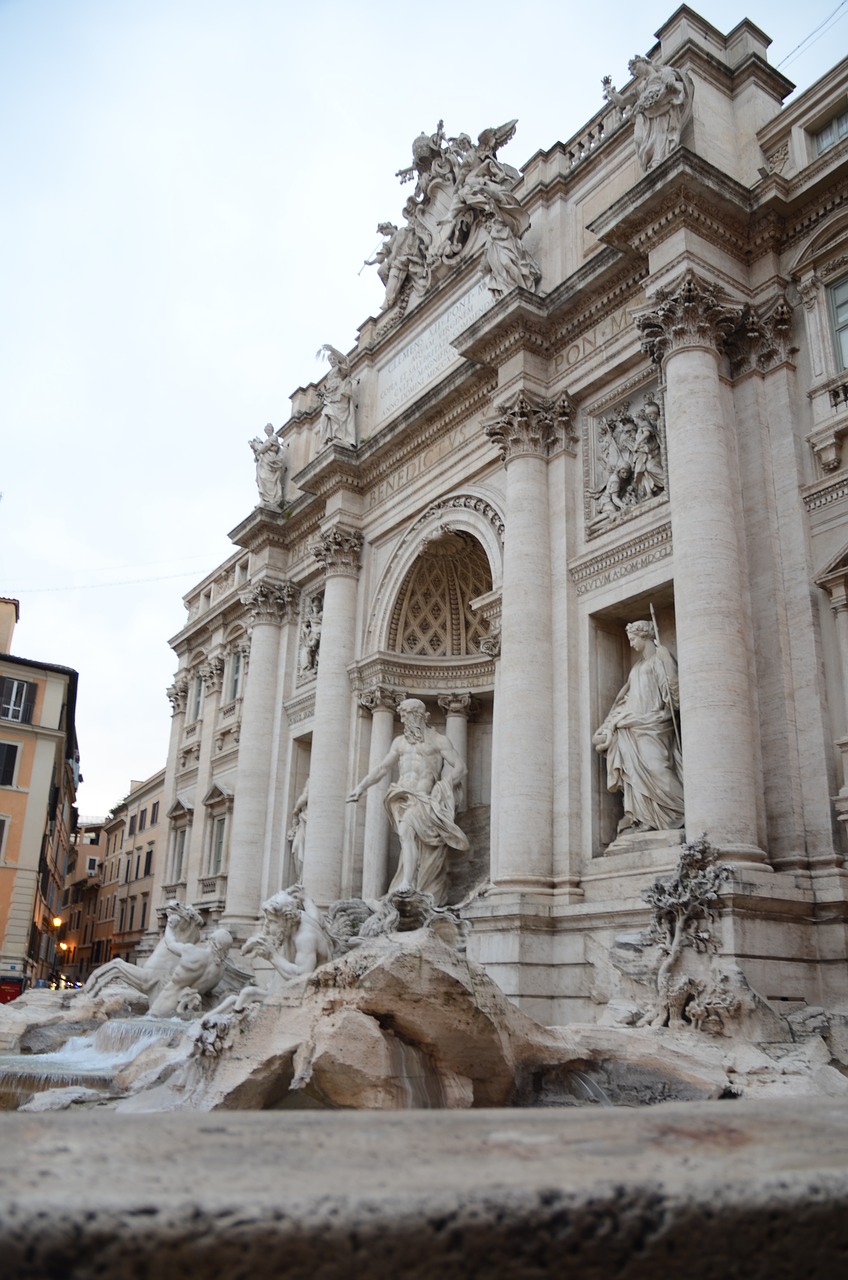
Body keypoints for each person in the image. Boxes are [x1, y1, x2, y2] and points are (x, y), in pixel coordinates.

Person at [347, 698, 469, 906]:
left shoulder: (439, 740)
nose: (403, 721)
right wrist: (361, 787)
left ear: (418, 715)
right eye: (402, 717)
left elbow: (460, 767)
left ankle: (409, 882)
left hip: (424, 799)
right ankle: (408, 881)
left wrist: (444, 787)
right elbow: (382, 769)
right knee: (406, 838)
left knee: (407, 833)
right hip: (401, 796)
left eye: (406, 716)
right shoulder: (400, 742)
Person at [593, 620, 684, 833]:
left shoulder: (660, 658)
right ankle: (646, 818)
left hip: (654, 723)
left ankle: (681, 809)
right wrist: (613, 722)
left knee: (657, 768)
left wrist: (671, 696)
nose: (632, 644)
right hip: (633, 725)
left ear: (644, 636)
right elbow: (627, 698)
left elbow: (671, 691)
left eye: (633, 639)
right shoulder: (636, 667)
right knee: (634, 774)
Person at [602, 54, 692, 173]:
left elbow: (676, 81)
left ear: (644, 61)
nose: (635, 71)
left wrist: (670, 84)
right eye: (633, 71)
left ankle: (658, 158)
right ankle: (650, 160)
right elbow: (623, 101)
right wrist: (611, 92)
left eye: (635, 66)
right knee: (639, 139)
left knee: (660, 132)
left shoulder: (663, 72)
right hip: (646, 114)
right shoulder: (642, 87)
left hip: (662, 107)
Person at [249, 424, 286, 507]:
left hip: (270, 459)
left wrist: (258, 452)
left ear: (272, 430)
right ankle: (266, 498)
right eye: (266, 430)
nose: (267, 431)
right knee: (263, 476)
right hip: (265, 460)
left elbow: (266, 446)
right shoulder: (267, 439)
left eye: (269, 429)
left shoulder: (274, 437)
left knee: (268, 477)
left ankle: (272, 498)